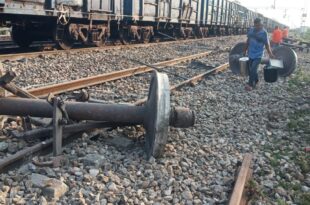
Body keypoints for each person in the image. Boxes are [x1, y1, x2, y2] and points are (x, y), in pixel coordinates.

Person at [243, 18, 275, 91]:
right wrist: (244, 50)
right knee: (252, 69)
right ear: (254, 25)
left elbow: (267, 44)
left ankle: (250, 84)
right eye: (256, 25)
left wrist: (270, 53)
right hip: (250, 53)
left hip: (259, 54)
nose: (258, 27)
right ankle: (256, 80)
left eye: (259, 25)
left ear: (261, 24)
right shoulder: (251, 31)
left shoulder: (264, 33)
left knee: (253, 68)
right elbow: (247, 41)